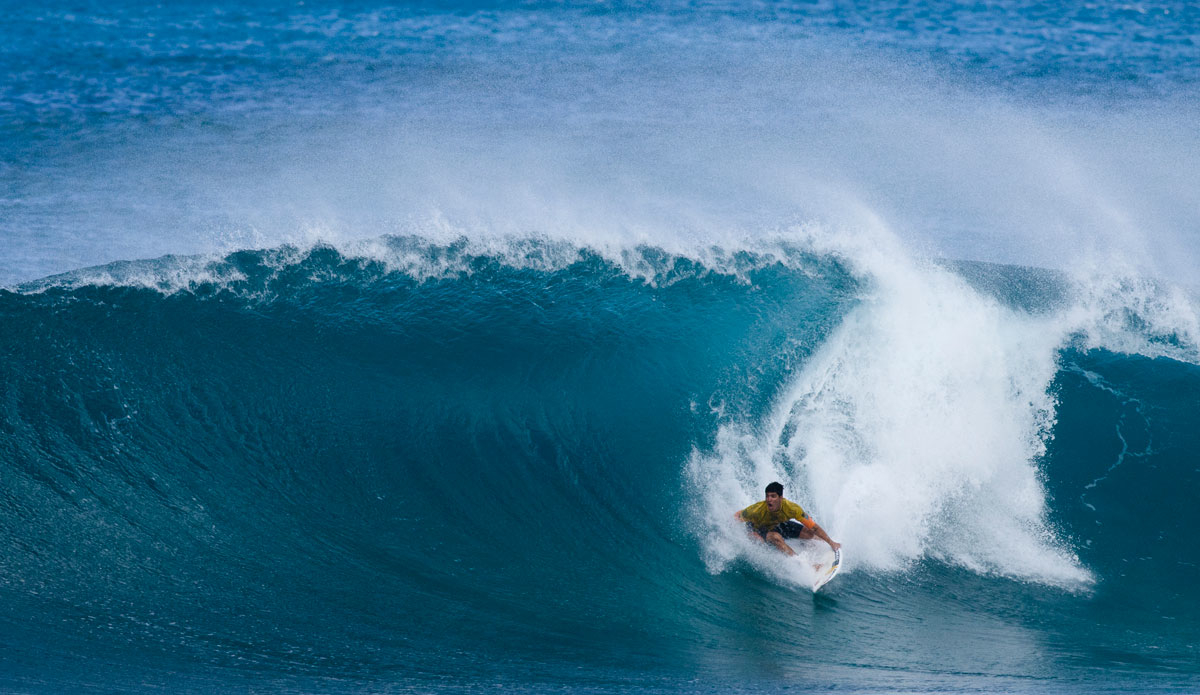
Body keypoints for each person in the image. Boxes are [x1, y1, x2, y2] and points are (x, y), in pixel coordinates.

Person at [734, 481, 840, 557]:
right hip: (758, 528)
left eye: (773, 496)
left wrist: (831, 543)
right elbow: (738, 515)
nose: (769, 500)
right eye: (767, 496)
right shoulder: (756, 510)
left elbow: (814, 527)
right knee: (775, 537)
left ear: (781, 498)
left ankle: (825, 547)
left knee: (809, 533)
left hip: (777, 524)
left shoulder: (792, 508)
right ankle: (801, 564)